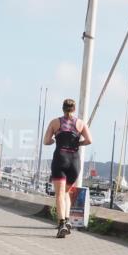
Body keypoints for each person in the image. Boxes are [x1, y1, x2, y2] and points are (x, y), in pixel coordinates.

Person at [43, 99, 92, 238]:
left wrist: (53, 140)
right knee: (66, 193)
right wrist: (78, 143)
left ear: (62, 108)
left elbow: (46, 141)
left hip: (60, 159)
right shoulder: (81, 123)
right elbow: (89, 140)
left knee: (59, 194)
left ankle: (62, 223)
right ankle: (68, 220)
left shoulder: (55, 122)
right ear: (74, 109)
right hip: (74, 162)